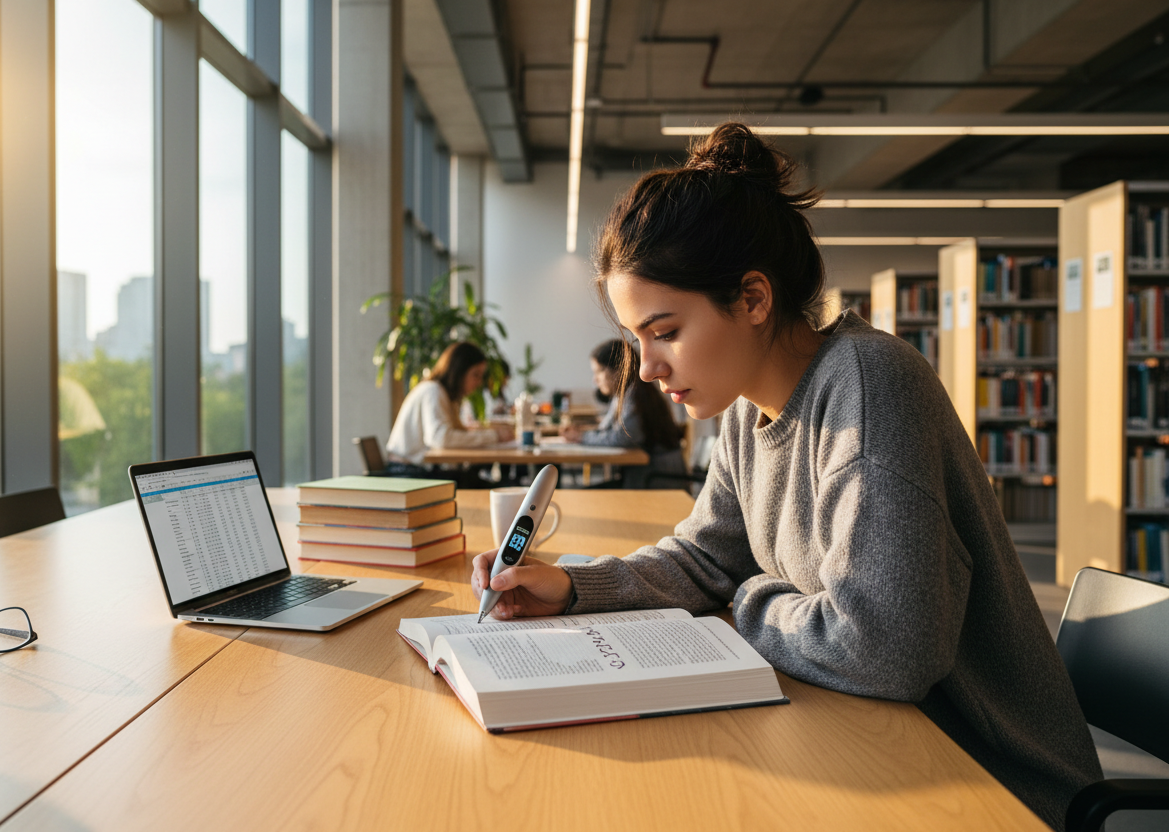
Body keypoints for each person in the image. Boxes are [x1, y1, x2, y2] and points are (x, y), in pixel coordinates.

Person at [470, 123, 1101, 830]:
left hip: (990, 785)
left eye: (666, 331)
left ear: (753, 299)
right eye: (635, 340)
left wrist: (746, 600)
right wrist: (572, 588)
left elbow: (884, 649)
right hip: (877, 746)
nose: (646, 370)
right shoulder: (745, 411)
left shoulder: (869, 385)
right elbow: (706, 555)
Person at [561, 339, 686, 487]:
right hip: (647, 474)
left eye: (599, 372)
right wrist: (582, 434)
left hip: (658, 479)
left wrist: (582, 436)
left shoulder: (635, 395)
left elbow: (622, 438)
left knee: (587, 497)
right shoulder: (625, 394)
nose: (595, 380)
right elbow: (606, 430)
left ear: (619, 369)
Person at [386, 342, 514, 477]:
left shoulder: (444, 395)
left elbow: (454, 432)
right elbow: (441, 439)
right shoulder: (433, 391)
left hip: (415, 469)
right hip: (406, 472)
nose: (479, 382)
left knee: (476, 480)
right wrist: (493, 436)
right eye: (475, 375)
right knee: (480, 483)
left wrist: (488, 431)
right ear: (459, 371)